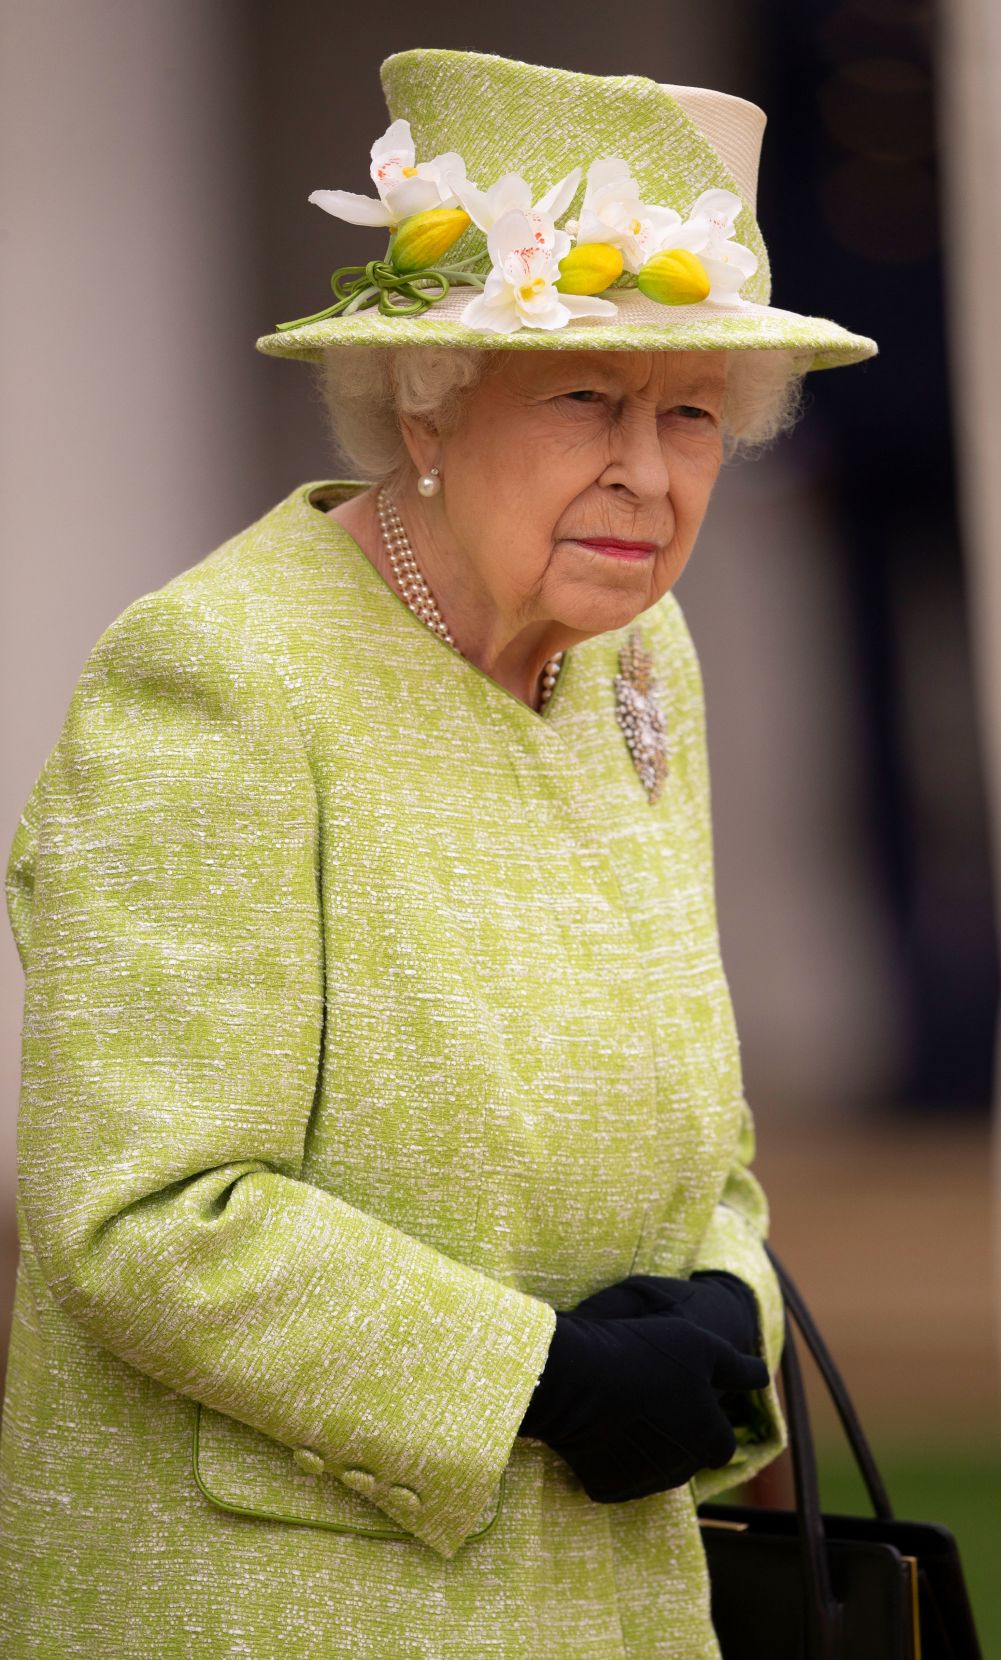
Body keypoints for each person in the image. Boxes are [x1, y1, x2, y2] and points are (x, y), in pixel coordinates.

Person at [0, 46, 877, 1659]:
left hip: (606, 1585)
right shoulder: (221, 679)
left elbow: (697, 1106)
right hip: (284, 1603)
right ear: (427, 399)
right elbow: (140, 1211)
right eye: (584, 399)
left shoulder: (635, 655)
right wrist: (535, 1377)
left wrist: (724, 1311)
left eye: (693, 414)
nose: (647, 472)